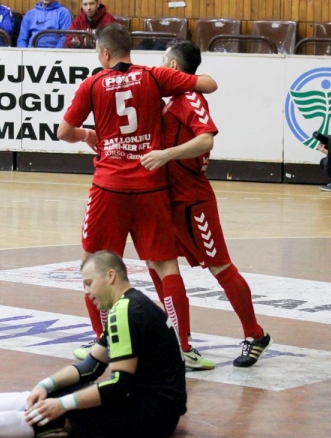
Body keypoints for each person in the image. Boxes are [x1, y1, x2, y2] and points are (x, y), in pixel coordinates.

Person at [57, 23, 218, 370]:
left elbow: (63, 132)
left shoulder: (93, 83)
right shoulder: (154, 75)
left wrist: (88, 134)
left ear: (103, 53)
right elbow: (207, 84)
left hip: (109, 188)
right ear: (130, 49)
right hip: (151, 185)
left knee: (93, 263)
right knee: (166, 266)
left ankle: (104, 344)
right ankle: (184, 346)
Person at [0, 250, 187, 438]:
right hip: (153, 405)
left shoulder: (126, 311)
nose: (86, 292)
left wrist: (65, 405)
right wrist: (46, 385)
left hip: (153, 413)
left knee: (53, 414)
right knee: (49, 398)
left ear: (110, 276)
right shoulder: (131, 304)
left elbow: (120, 384)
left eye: (88, 283)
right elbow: (90, 366)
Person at [140, 40, 271, 368]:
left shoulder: (189, 98)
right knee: (158, 264)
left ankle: (255, 334)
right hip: (167, 201)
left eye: (161, 62)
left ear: (171, 67)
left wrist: (166, 155)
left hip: (193, 201)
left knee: (220, 268)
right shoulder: (170, 101)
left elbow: (206, 139)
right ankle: (179, 340)